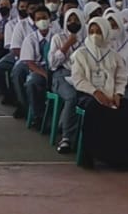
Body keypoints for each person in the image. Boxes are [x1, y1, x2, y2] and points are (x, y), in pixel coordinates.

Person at [72, 17, 128, 168]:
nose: (95, 35)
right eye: (92, 32)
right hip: (88, 95)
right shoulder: (80, 54)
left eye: (99, 31)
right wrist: (96, 92)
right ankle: (90, 155)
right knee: (96, 110)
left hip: (112, 95)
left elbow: (121, 79)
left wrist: (118, 94)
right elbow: (78, 80)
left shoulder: (114, 55)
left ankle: (121, 157)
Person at [48, 8, 86, 153]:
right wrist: (67, 45)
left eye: (76, 20)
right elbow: (52, 64)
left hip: (83, 74)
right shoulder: (58, 38)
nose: (73, 23)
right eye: (70, 20)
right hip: (62, 74)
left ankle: (70, 127)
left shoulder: (88, 38)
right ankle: (66, 138)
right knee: (71, 96)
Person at [20, 5, 54, 128]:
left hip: (55, 69)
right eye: (38, 19)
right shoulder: (30, 39)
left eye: (44, 18)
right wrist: (44, 74)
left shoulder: (57, 36)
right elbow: (30, 62)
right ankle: (37, 116)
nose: (42, 21)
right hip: (38, 70)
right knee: (32, 82)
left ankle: (58, 119)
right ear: (34, 22)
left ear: (50, 19)